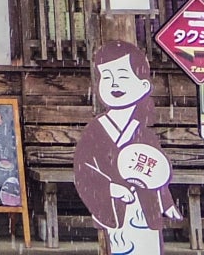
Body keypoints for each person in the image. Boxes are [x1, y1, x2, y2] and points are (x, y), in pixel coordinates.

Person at [72, 42, 180, 255]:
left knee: (149, 248)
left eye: (122, 76)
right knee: (120, 247)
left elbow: (156, 170)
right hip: (115, 209)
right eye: (107, 77)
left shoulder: (143, 132)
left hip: (145, 208)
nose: (114, 84)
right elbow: (83, 170)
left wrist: (165, 201)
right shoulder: (96, 130)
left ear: (143, 86)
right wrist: (111, 189)